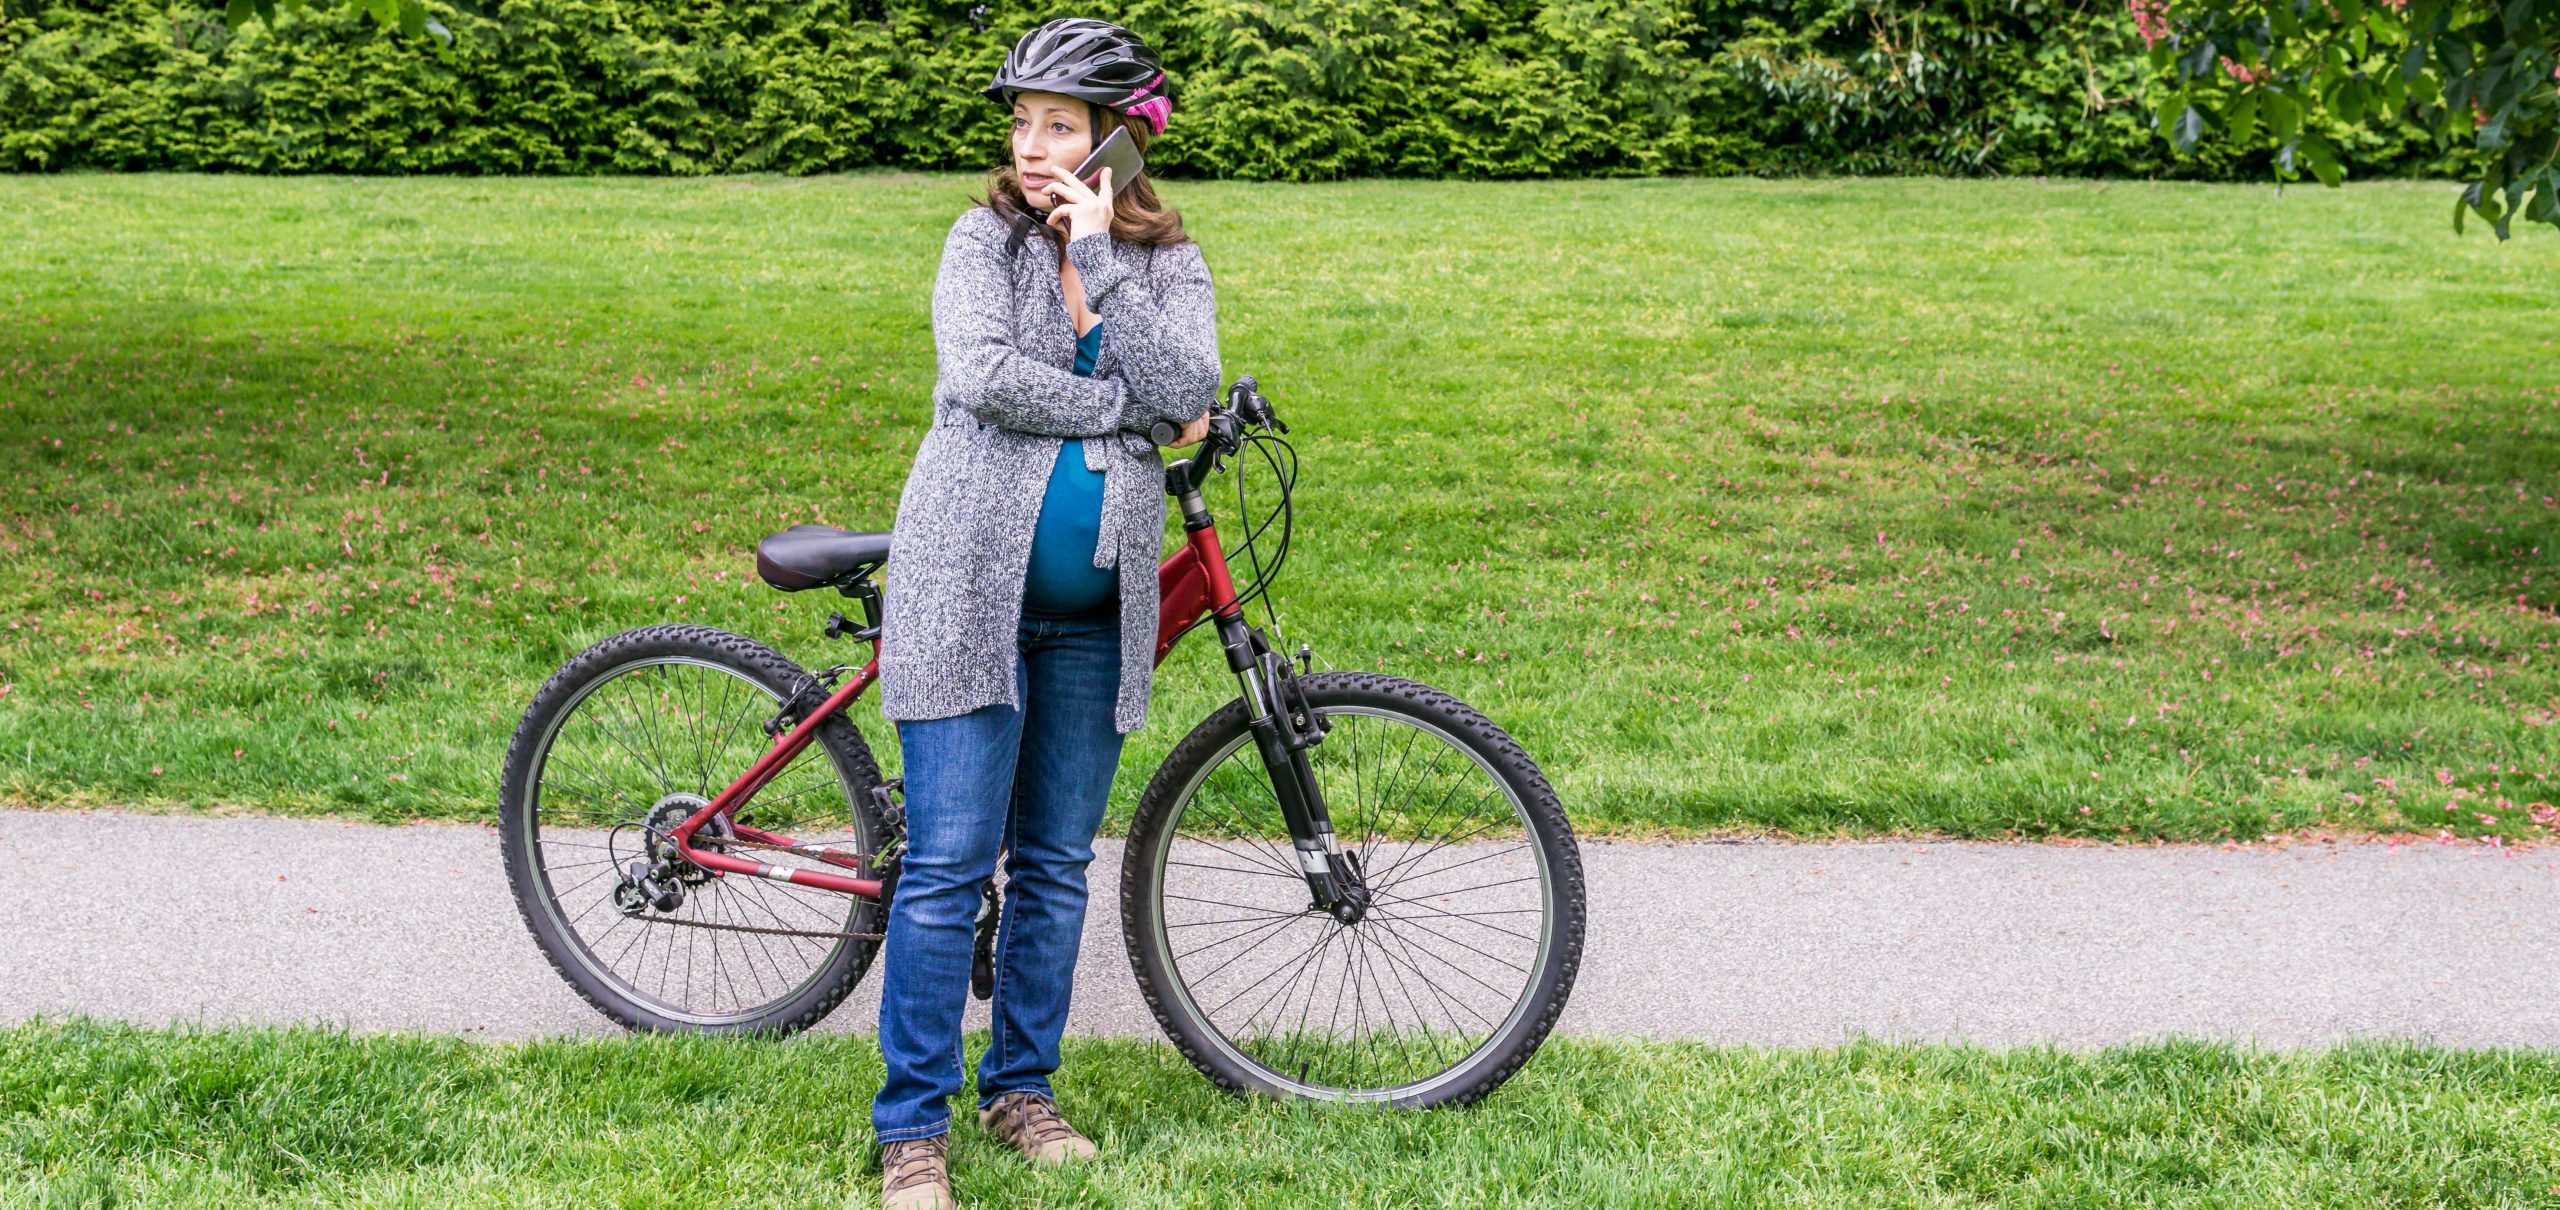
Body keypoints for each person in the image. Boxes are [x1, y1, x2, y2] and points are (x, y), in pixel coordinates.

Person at [866, 16, 1218, 1210]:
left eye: (1058, 125)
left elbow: (1191, 387)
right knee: (951, 863)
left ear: (1117, 142)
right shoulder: (980, 240)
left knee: (1056, 863)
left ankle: (1021, 1089)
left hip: (1090, 617)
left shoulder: (1167, 263)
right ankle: (911, 1129)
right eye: (1021, 122)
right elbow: (978, 378)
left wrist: (1101, 262)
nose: (1030, 144)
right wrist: (1126, 413)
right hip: (964, 592)